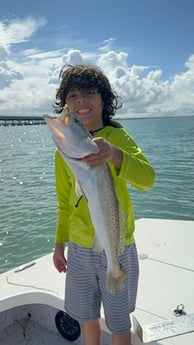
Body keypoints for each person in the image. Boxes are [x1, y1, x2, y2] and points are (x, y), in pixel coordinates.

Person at [52, 63, 155, 345]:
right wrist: (60, 243)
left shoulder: (118, 138)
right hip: (80, 248)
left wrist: (115, 155)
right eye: (72, 96)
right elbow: (64, 202)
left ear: (104, 100)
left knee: (118, 322)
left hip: (117, 246)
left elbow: (148, 179)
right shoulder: (63, 152)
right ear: (66, 105)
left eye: (88, 93)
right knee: (87, 317)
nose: (80, 100)